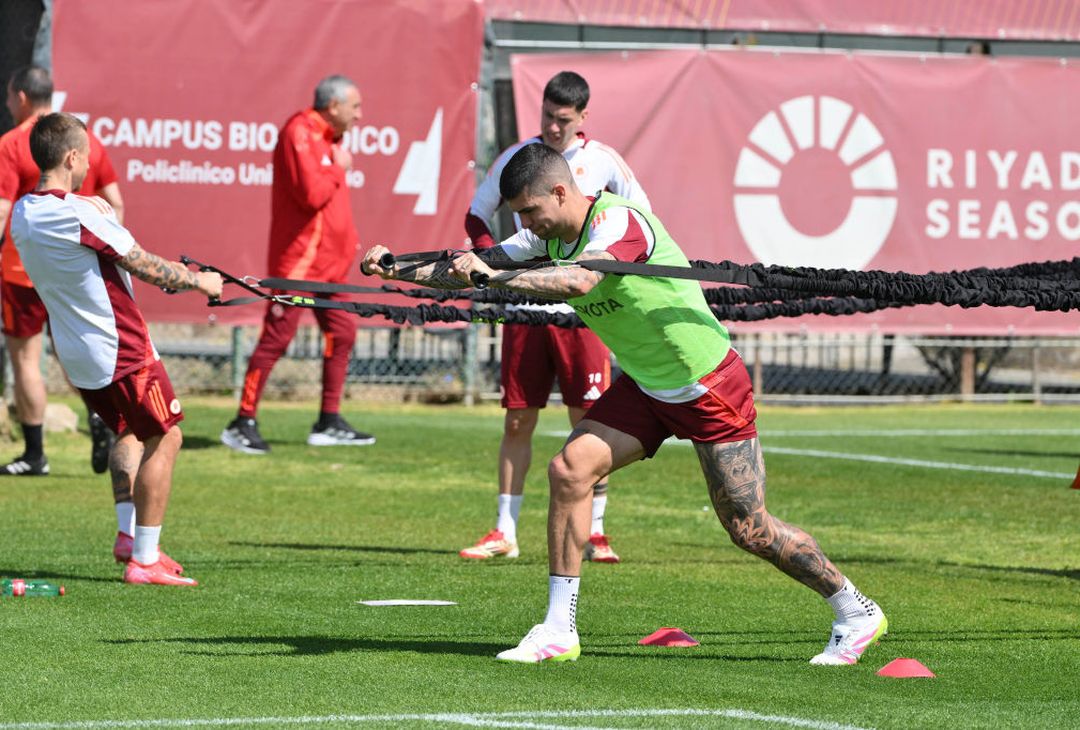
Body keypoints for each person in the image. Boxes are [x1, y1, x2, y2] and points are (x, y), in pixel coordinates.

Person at [361, 143, 888, 665]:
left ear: (561, 192)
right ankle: (558, 631)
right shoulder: (542, 236)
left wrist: (491, 276)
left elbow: (580, 279)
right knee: (569, 471)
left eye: (529, 210)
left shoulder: (619, 223)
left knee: (749, 528)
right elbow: (466, 268)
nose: (525, 223)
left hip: (706, 385)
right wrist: (395, 269)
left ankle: (856, 610)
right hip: (645, 385)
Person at [10, 112, 222, 585]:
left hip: (77, 353)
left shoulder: (26, 213)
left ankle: (128, 535)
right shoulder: (80, 214)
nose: (90, 163)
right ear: (71, 157)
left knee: (128, 430)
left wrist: (84, 200)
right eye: (86, 155)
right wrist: (201, 282)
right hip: (121, 349)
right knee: (166, 435)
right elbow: (142, 264)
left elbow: (63, 214)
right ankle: (145, 560)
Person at [459, 71, 649, 563]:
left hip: (581, 313)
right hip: (524, 310)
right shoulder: (519, 158)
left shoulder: (603, 162)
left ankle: (598, 531)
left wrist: (604, 276)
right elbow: (478, 215)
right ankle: (504, 530)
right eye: (546, 116)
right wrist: (488, 263)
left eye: (563, 119)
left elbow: (641, 216)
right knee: (518, 419)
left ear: (582, 117)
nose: (553, 126)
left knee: (589, 419)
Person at [220, 74, 374, 454]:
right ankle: (242, 421)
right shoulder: (299, 131)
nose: (359, 116)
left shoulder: (330, 139)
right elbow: (311, 194)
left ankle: (328, 421)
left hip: (331, 268)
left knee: (343, 333)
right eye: (355, 107)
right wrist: (339, 167)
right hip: (300, 265)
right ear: (333, 106)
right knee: (277, 338)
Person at [0, 65, 124, 477]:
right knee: (81, 356)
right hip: (75, 271)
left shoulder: (13, 144)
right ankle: (101, 415)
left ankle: (35, 454)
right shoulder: (85, 141)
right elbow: (115, 203)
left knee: (26, 361)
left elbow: (2, 212)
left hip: (24, 270)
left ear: (20, 98)